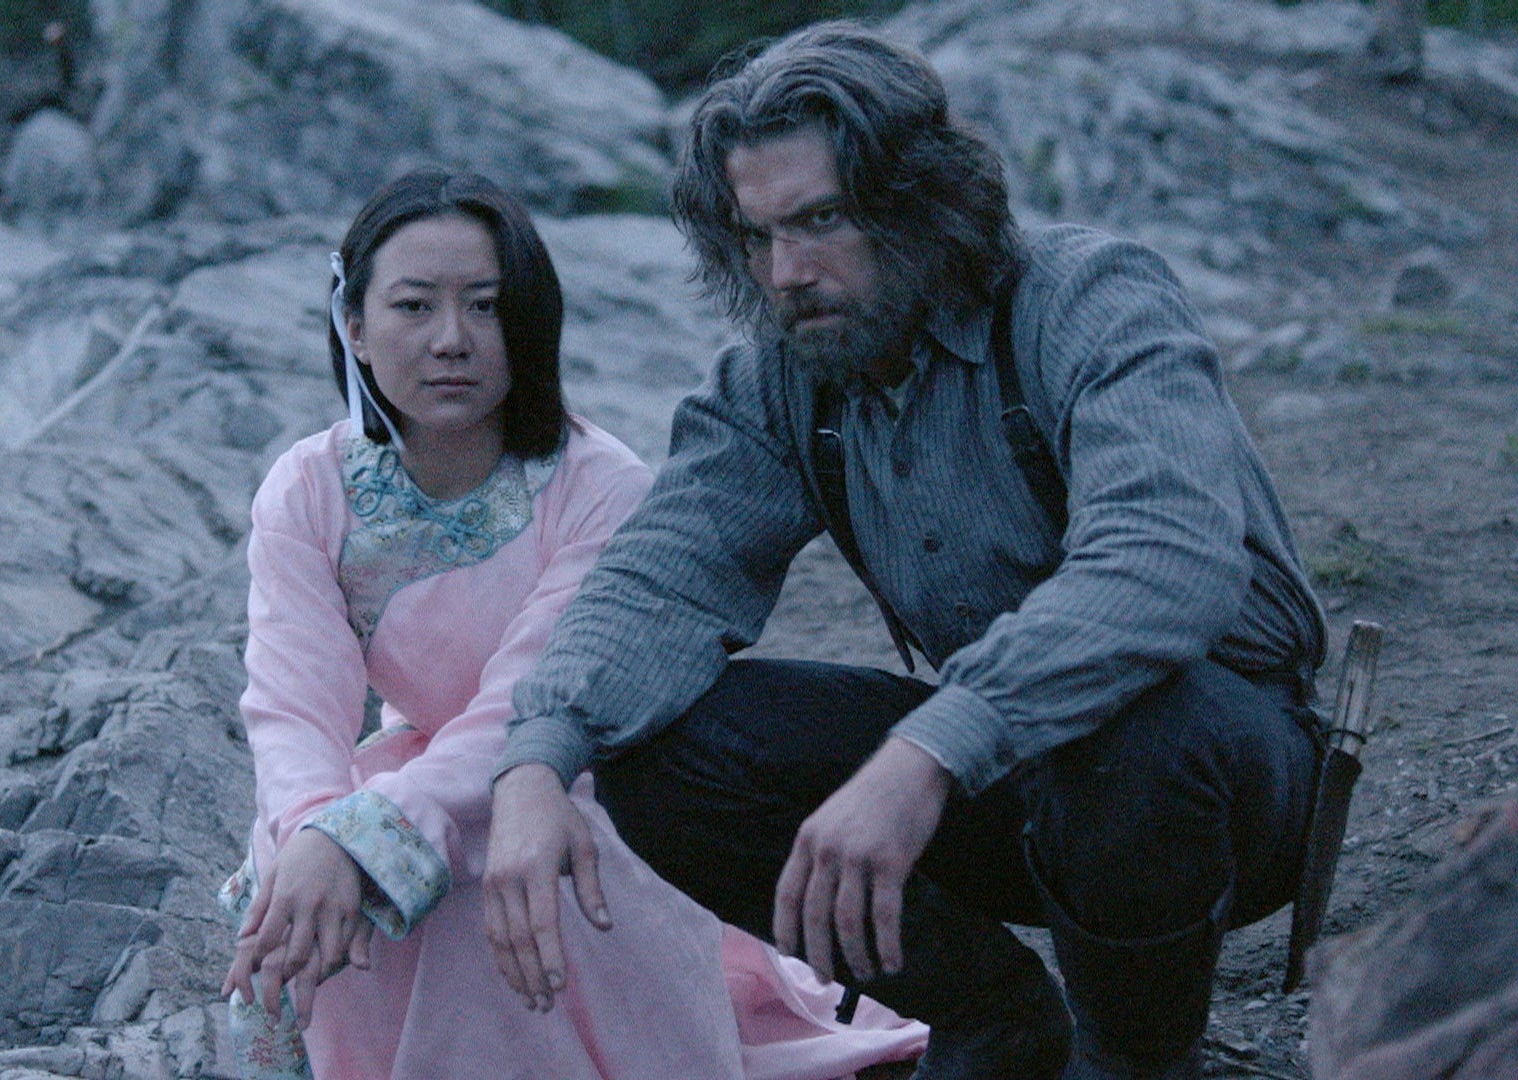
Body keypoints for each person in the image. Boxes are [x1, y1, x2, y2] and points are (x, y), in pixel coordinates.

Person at [483, 22, 1328, 1080]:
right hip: (1003, 783)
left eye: (821, 220)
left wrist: (930, 748)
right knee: (664, 754)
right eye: (757, 236)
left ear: (920, 200)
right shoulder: (783, 376)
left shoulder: (1089, 297)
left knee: (1135, 730)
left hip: (1216, 782)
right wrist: (536, 756)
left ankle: (1134, 1059)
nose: (788, 273)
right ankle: (997, 1021)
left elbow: (1162, 560)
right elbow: (663, 576)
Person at [219, 168, 927, 1080]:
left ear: (531, 322)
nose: (451, 339)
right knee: (302, 862)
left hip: (579, 777)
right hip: (410, 772)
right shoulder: (309, 487)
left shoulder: (599, 485)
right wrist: (316, 833)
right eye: (413, 306)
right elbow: (293, 703)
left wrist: (371, 837)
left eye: (486, 307)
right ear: (354, 326)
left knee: (478, 874)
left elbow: (526, 699)